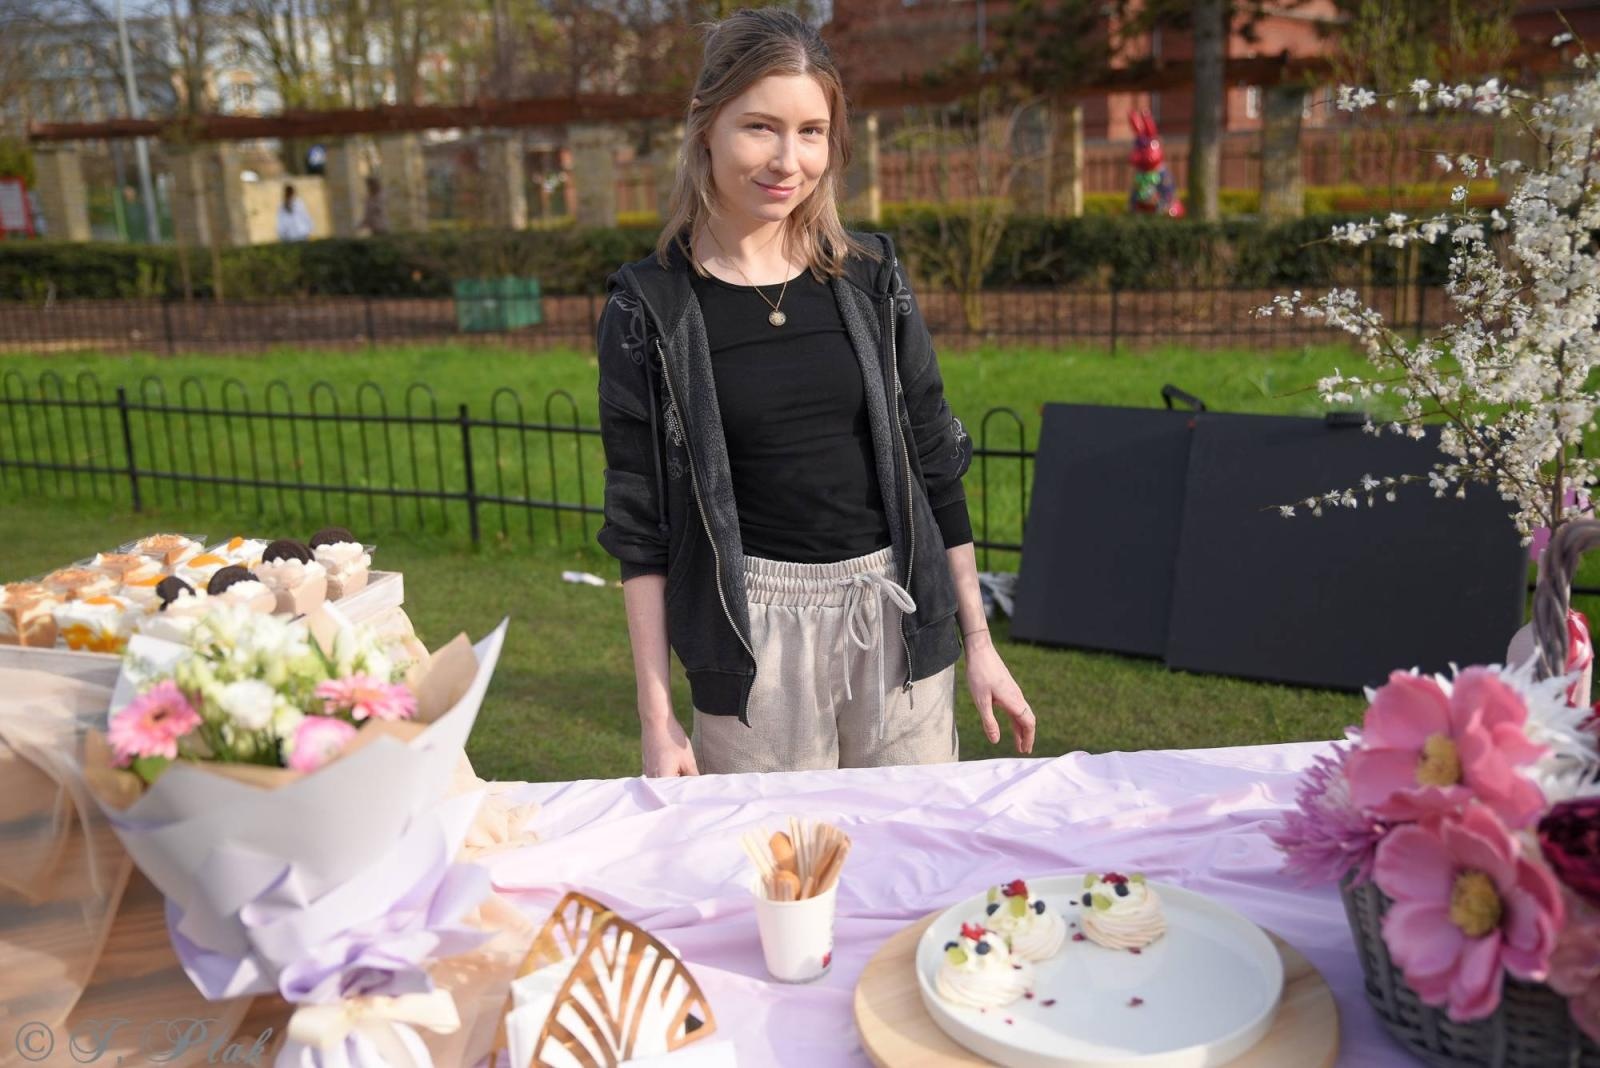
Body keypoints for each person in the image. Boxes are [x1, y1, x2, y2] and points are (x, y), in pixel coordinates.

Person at [595, 8, 1034, 777]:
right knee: (781, 879)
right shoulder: (649, 308)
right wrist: (658, 720)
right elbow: (641, 529)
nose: (786, 160)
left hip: (896, 627)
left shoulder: (870, 279)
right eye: (759, 127)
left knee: (913, 871)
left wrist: (979, 646)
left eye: (811, 131)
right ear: (706, 127)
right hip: (751, 642)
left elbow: (936, 466)